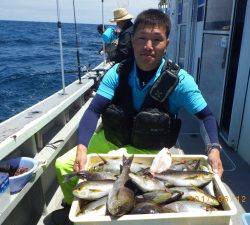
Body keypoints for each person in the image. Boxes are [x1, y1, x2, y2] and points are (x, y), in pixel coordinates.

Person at [55, 9, 223, 206]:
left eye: (156, 40)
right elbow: (93, 110)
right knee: (63, 166)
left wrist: (214, 149)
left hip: (149, 151)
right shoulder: (117, 73)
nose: (148, 46)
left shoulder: (181, 82)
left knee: (140, 195)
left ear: (166, 44)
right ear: (132, 40)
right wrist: (82, 148)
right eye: (142, 38)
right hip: (111, 141)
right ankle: (74, 207)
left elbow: (207, 117)